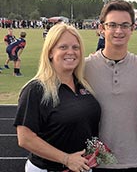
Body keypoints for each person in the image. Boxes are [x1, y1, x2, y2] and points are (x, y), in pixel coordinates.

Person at [13, 23, 101, 172]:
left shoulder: (82, 84)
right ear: (50, 52)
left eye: (75, 47)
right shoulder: (35, 90)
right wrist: (66, 159)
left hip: (81, 166)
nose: (71, 52)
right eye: (63, 47)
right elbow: (25, 138)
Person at [84, 0, 137, 172]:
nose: (119, 31)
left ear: (132, 28)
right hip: (96, 161)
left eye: (125, 25)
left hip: (135, 160)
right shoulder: (84, 67)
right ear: (102, 28)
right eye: (112, 25)